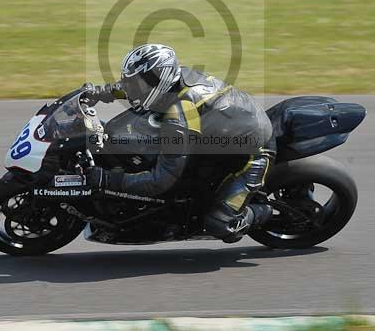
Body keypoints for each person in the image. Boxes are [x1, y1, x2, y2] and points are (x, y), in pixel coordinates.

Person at [84, 43, 274, 243]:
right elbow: (133, 88)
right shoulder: (172, 80)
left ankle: (265, 212)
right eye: (134, 82)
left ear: (160, 79)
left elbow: (162, 180)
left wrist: (108, 180)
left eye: (139, 83)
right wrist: (100, 92)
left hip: (255, 150)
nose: (134, 88)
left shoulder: (180, 113)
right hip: (226, 132)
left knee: (221, 224)